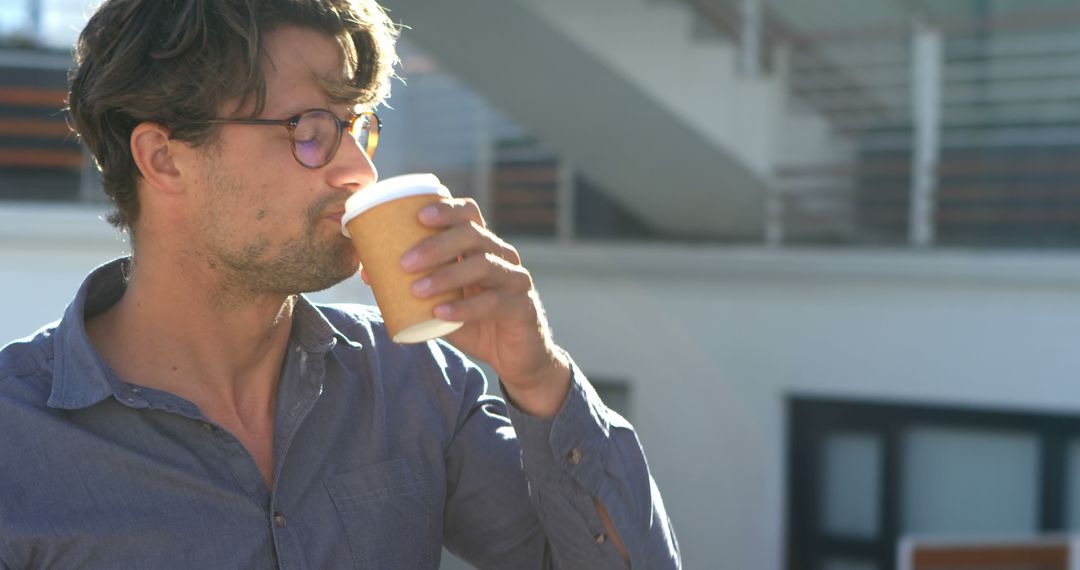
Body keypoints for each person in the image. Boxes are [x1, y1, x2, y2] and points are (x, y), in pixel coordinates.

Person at [0, 0, 680, 568]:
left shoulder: (418, 382)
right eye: (310, 129)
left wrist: (537, 376)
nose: (357, 169)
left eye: (357, 127)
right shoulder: (18, 439)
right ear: (164, 160)